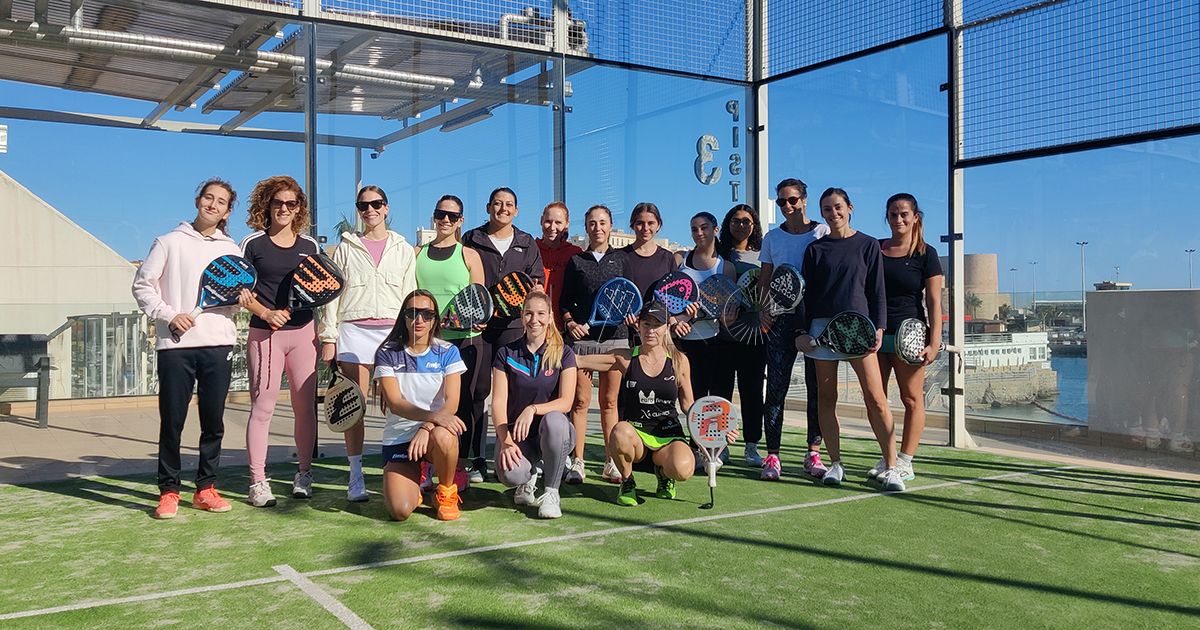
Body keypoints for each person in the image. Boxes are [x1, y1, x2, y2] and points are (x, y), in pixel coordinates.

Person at [132, 178, 241, 519]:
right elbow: (142, 286)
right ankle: (169, 491)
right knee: (173, 422)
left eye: (221, 201)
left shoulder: (232, 249)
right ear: (198, 200)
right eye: (209, 197)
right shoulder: (168, 242)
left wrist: (240, 301)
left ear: (227, 211)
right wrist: (168, 314)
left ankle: (205, 489)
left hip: (218, 344)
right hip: (175, 347)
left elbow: (231, 301)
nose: (213, 204)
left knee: (214, 422)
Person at [577, 302, 737, 506]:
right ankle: (627, 481)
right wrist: (548, 350)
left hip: (668, 436)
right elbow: (579, 360)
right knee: (618, 432)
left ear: (666, 328)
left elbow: (689, 406)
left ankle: (663, 474)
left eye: (657, 325)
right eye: (646, 324)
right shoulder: (625, 358)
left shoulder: (679, 361)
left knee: (683, 469)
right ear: (638, 326)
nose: (651, 330)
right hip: (635, 437)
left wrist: (720, 429)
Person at [796, 187, 903, 492]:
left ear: (850, 208)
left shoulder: (869, 245)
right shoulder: (815, 250)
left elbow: (877, 291)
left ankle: (892, 467)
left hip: (859, 330)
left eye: (838, 207)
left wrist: (879, 328)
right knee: (826, 400)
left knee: (877, 399)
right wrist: (802, 332)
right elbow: (807, 297)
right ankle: (835, 464)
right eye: (827, 209)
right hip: (821, 331)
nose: (834, 213)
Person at [319, 185, 417, 502]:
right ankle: (356, 475)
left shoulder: (403, 247)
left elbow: (409, 294)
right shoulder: (346, 247)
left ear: (386, 208)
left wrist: (410, 334)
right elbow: (333, 295)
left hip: (392, 333)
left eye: (376, 204)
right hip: (353, 331)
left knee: (396, 405)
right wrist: (329, 337)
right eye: (363, 206)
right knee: (354, 406)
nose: (370, 210)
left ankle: (398, 467)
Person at [239, 175, 321, 507]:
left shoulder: (310, 246)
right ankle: (258, 482)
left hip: (305, 334)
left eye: (291, 203)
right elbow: (241, 291)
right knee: (263, 408)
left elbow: (320, 289)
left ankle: (304, 474)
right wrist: (267, 312)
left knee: (305, 409)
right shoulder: (252, 244)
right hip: (264, 334)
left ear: (299, 207)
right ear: (267, 206)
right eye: (278, 203)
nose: (284, 209)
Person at [462, 187, 546, 480]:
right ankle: (476, 459)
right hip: (480, 330)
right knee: (477, 390)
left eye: (509, 204)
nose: (503, 209)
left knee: (512, 393)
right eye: (497, 204)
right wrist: (476, 313)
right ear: (488, 207)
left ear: (516, 210)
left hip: (513, 329)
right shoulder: (471, 238)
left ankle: (513, 454)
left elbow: (536, 284)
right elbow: (464, 281)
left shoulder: (527, 242)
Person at [374, 289, 468, 521]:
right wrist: (431, 420)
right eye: (412, 313)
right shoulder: (387, 353)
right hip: (400, 439)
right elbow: (395, 404)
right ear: (403, 317)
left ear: (435, 319)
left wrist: (426, 427)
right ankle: (413, 483)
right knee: (399, 511)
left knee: (447, 435)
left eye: (427, 314)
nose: (419, 320)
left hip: (432, 436)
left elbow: (452, 402)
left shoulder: (448, 352)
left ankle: (445, 492)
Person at [758, 178, 830, 481]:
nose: (787, 206)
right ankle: (772, 455)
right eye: (781, 202)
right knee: (775, 390)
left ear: (804, 200)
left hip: (815, 321)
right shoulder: (772, 238)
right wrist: (764, 314)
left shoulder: (822, 232)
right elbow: (765, 279)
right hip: (781, 321)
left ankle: (813, 452)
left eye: (792, 200)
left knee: (818, 390)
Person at [414, 194, 488, 484]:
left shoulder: (469, 255)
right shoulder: (416, 252)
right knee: (428, 403)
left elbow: (479, 300)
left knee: (462, 405)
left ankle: (457, 465)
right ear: (434, 216)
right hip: (427, 343)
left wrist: (470, 320)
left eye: (453, 216)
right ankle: (426, 463)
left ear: (461, 221)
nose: (446, 220)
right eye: (441, 214)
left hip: (464, 343)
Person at [873, 193, 943, 482]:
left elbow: (935, 301)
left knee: (911, 399)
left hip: (911, 336)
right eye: (893, 214)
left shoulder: (927, 254)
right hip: (876, 335)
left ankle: (905, 460)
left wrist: (935, 341)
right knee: (876, 400)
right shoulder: (875, 248)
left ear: (916, 217)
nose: (898, 219)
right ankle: (888, 456)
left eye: (904, 214)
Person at [607, 201, 678, 483]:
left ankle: (661, 457)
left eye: (650, 223)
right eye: (639, 223)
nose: (644, 228)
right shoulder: (621, 256)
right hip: (627, 336)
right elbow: (617, 295)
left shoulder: (667, 258)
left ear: (658, 225)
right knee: (623, 401)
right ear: (632, 225)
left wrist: (673, 321)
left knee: (660, 395)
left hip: (658, 338)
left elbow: (673, 298)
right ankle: (619, 462)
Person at [491, 291, 578, 519]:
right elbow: (498, 403)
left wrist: (533, 409)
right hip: (520, 436)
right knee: (509, 474)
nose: (534, 320)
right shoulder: (506, 353)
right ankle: (529, 476)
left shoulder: (564, 353)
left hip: (555, 432)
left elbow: (567, 402)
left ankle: (551, 492)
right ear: (522, 317)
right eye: (529, 314)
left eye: (541, 314)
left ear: (550, 317)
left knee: (555, 419)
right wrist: (506, 441)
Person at [561, 205, 628, 484]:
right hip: (584, 342)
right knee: (580, 402)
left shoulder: (623, 260)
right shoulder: (577, 262)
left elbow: (628, 297)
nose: (597, 227)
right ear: (586, 227)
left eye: (602, 222)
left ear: (610, 226)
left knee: (609, 402)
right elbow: (565, 302)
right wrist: (570, 322)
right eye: (591, 223)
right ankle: (578, 462)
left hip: (616, 339)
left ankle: (611, 461)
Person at [715, 204, 768, 467]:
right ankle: (721, 445)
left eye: (746, 221)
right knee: (722, 392)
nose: (741, 225)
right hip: (722, 337)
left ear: (754, 225)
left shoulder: (762, 255)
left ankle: (751, 446)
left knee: (751, 392)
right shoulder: (718, 253)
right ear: (728, 224)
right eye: (735, 221)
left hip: (754, 338)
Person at [674, 211, 737, 398]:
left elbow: (727, 313)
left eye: (704, 228)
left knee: (718, 403)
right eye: (694, 229)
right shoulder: (679, 259)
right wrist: (678, 320)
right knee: (691, 402)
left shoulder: (726, 267)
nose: (699, 233)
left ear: (715, 230)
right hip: (683, 343)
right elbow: (666, 300)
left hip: (715, 343)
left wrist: (728, 318)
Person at [535, 201, 582, 330]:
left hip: (565, 327)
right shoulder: (531, 249)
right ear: (541, 220)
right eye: (548, 221)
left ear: (566, 224)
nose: (552, 227)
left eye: (558, 222)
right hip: (535, 325)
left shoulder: (575, 253)